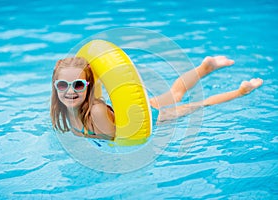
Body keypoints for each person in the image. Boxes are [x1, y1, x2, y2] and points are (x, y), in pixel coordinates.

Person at [50, 56, 263, 140]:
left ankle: (241, 91)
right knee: (175, 93)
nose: (70, 92)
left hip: (152, 117)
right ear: (55, 87)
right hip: (129, 109)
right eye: (62, 85)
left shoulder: (95, 112)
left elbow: (120, 140)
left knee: (199, 103)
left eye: (78, 84)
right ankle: (205, 67)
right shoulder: (67, 111)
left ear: (88, 87)